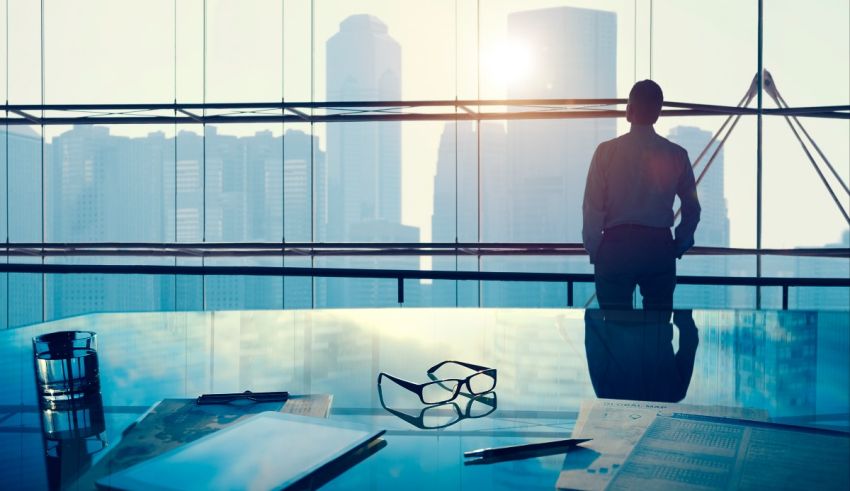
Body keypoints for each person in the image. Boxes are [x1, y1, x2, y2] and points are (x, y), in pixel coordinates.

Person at [582, 80, 701, 311]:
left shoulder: (605, 152)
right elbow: (692, 208)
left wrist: (596, 249)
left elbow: (592, 207)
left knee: (614, 323)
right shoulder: (677, 154)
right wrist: (678, 245)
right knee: (658, 325)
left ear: (629, 110)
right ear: (658, 114)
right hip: (658, 245)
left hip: (615, 246)